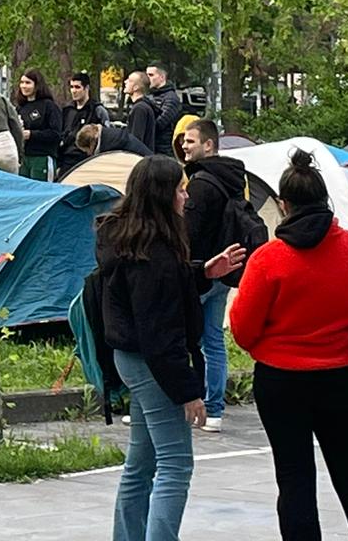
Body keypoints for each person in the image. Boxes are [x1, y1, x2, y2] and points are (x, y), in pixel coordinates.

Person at [231, 148, 348, 541]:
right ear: (325, 200)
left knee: (295, 482)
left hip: (282, 382)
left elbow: (243, 330)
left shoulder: (269, 259)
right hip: (343, 378)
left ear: (283, 205)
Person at [96, 156, 243, 541]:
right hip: (152, 364)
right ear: (162, 195)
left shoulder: (131, 239)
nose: (185, 196)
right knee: (176, 464)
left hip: (131, 357)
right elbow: (160, 332)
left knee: (141, 463)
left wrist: (202, 272)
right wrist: (188, 392)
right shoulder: (155, 255)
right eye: (180, 189)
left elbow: (158, 297)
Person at [179, 118, 245, 433]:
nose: (184, 146)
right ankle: (215, 409)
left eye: (190, 141)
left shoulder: (201, 184)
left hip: (202, 270)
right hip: (224, 269)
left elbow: (190, 231)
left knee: (184, 337)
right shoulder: (232, 178)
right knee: (213, 339)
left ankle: (189, 403)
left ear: (209, 145)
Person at [15, 69, 63, 181]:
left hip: (42, 157)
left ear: (37, 85)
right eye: (22, 82)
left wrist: (31, 134)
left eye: (28, 83)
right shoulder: (20, 108)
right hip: (24, 158)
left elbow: (56, 134)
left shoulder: (49, 106)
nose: (24, 86)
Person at [60, 71, 111, 173]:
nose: (73, 91)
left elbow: (106, 135)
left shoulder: (97, 110)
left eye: (77, 87)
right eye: (71, 87)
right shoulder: (67, 110)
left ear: (86, 88)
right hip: (66, 160)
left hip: (87, 161)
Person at [146, 63, 183, 149]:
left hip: (164, 149)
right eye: (146, 75)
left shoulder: (171, 98)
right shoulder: (150, 95)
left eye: (151, 75)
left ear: (162, 77)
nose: (147, 78)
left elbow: (159, 124)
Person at [74, 121, 152, 160]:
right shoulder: (111, 136)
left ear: (90, 145)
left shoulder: (108, 147)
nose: (87, 154)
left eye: (86, 151)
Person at [123, 70, 158, 154]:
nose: (125, 82)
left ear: (136, 87)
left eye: (130, 80)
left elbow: (136, 140)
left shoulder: (139, 109)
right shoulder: (143, 106)